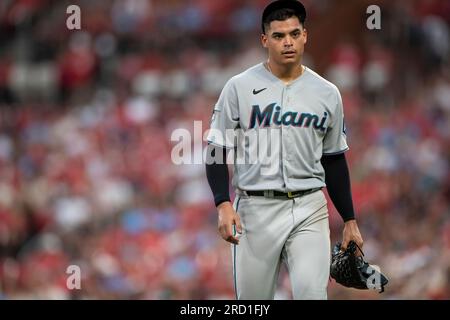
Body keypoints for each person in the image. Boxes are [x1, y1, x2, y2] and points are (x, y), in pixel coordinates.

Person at [205, 0, 364, 300]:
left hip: (309, 207)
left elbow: (334, 160)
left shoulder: (328, 93)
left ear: (305, 35)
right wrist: (222, 203)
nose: (287, 41)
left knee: (311, 294)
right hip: (254, 209)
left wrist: (350, 220)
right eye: (278, 36)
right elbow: (216, 149)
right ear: (265, 40)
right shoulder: (238, 87)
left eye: (294, 33)